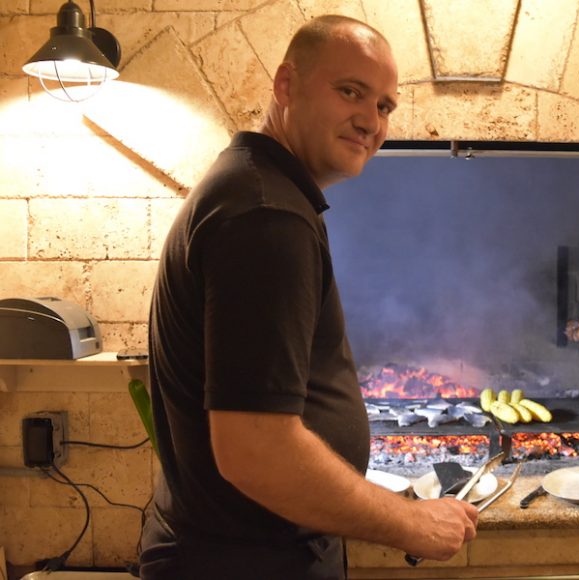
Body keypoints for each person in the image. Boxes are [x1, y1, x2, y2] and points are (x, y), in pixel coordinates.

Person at [139, 14, 478, 579]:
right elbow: (257, 451)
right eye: (351, 92)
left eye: (386, 106)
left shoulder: (258, 191)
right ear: (286, 85)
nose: (371, 119)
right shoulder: (266, 216)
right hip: (245, 565)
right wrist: (409, 521)